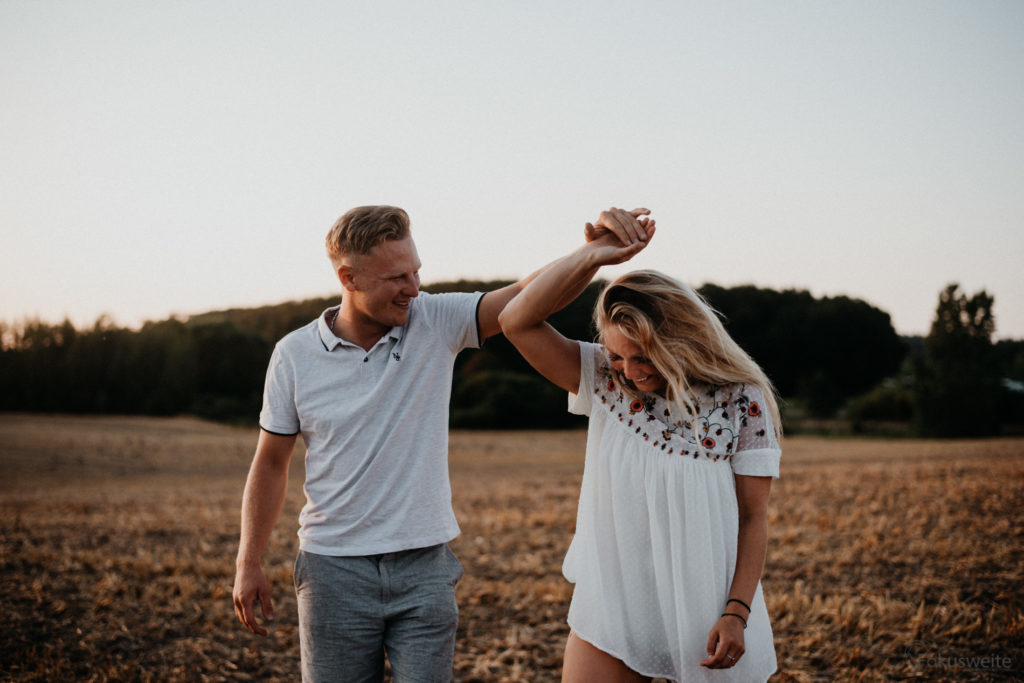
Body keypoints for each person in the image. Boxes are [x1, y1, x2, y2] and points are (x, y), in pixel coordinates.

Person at [231, 204, 646, 682]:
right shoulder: (293, 356)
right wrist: (248, 561)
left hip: (424, 568)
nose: (413, 288)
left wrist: (591, 254)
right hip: (331, 572)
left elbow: (526, 299)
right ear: (349, 277)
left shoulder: (433, 319)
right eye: (396, 278)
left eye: (416, 271)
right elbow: (269, 464)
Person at [498, 207, 782, 682]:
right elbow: (516, 320)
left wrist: (736, 613)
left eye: (644, 355)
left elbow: (753, 517)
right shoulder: (606, 383)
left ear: (684, 341)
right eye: (616, 354)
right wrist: (593, 256)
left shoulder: (742, 402)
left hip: (707, 610)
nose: (631, 370)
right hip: (614, 604)